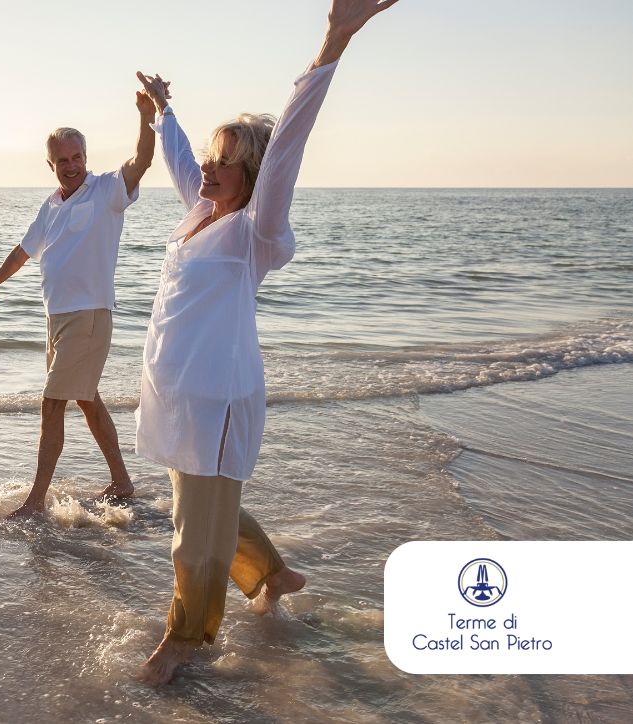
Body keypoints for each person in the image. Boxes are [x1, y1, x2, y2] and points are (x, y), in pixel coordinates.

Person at [132, 0, 400, 685]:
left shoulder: (255, 231)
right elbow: (178, 159)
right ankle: (274, 576)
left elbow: (286, 150)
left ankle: (185, 640)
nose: (208, 170)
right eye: (210, 160)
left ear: (251, 173)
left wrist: (332, 42)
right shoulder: (197, 214)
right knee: (205, 505)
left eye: (225, 162)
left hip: (217, 398)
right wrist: (163, 111)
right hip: (177, 395)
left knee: (195, 530)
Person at [0, 90, 157, 518]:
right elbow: (23, 252)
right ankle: (123, 482)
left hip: (90, 315)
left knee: (52, 401)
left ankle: (36, 500)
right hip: (57, 320)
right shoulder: (51, 205)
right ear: (51, 165)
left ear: (85, 157)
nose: (72, 166)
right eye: (63, 161)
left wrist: (145, 117)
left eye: (78, 157)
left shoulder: (107, 191)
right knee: (87, 400)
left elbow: (141, 161)